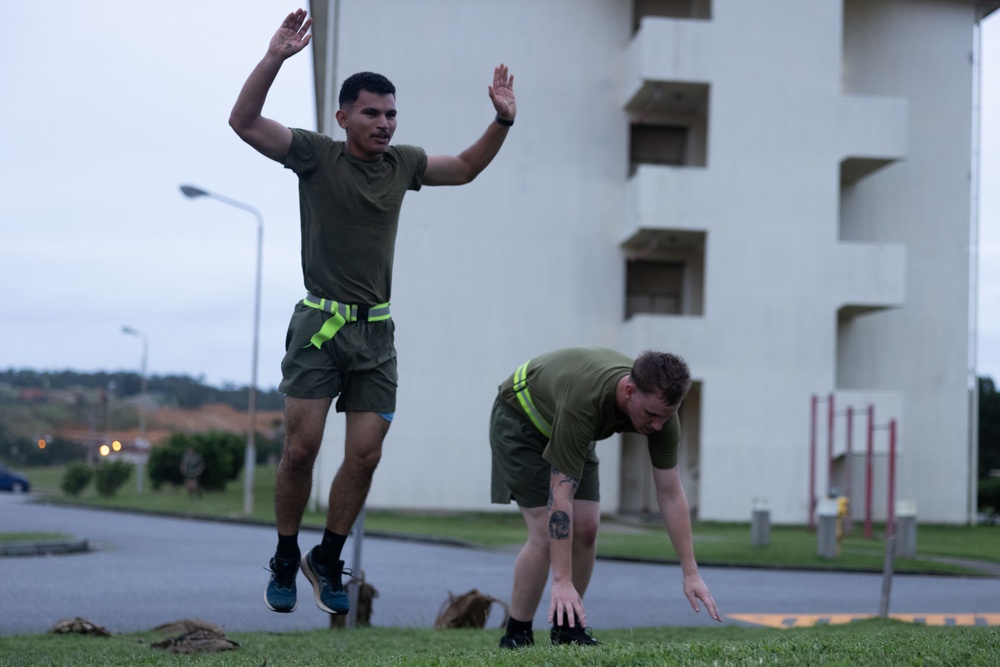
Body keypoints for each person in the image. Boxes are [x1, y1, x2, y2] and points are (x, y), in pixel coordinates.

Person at [228, 9, 516, 616]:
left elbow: (463, 168)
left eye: (390, 115)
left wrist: (501, 121)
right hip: (319, 328)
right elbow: (244, 122)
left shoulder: (402, 164)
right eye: (371, 114)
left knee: (365, 453)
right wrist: (275, 58)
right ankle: (286, 553)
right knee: (301, 450)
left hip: (375, 333)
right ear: (343, 117)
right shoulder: (314, 155)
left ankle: (326, 557)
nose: (384, 124)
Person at [489, 347, 721, 648]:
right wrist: (561, 580)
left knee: (587, 528)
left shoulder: (661, 413)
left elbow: (670, 493)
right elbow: (561, 499)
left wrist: (691, 573)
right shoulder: (584, 403)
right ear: (628, 391)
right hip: (523, 419)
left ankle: (568, 630)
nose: (656, 426)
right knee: (546, 534)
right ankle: (517, 634)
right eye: (651, 415)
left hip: (569, 427)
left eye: (665, 417)